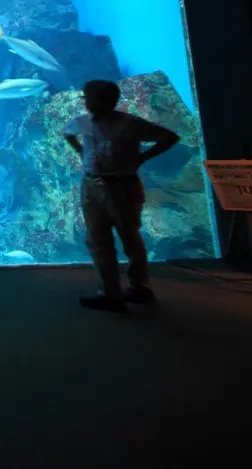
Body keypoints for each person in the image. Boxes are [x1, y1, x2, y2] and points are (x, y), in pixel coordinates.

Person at [63, 79, 180, 311]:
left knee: (129, 236)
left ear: (103, 100)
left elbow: (169, 137)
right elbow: (68, 134)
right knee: (97, 239)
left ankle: (139, 287)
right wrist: (81, 153)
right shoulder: (82, 121)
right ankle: (109, 292)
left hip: (122, 185)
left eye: (88, 97)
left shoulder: (129, 123)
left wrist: (143, 158)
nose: (84, 101)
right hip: (90, 185)